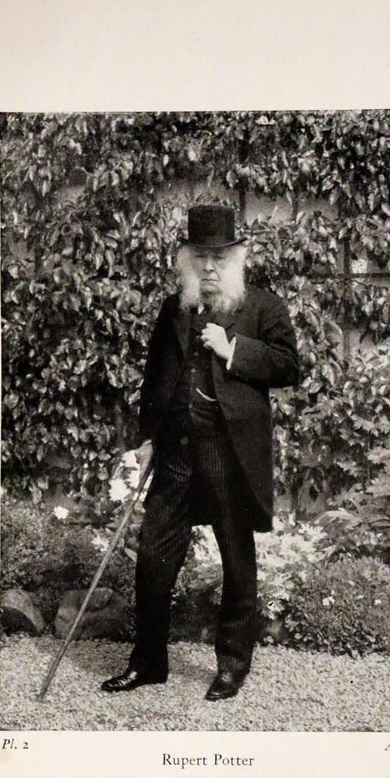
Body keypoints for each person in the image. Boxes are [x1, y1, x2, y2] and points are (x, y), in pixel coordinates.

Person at [101, 203, 299, 701]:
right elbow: (155, 379)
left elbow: (289, 366)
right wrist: (146, 438)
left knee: (237, 561)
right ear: (186, 261)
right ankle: (148, 663)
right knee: (152, 557)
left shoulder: (262, 308)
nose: (208, 268)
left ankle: (232, 666)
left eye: (218, 258)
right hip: (176, 455)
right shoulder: (175, 309)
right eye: (199, 258)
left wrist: (232, 348)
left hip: (229, 456)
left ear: (235, 260)